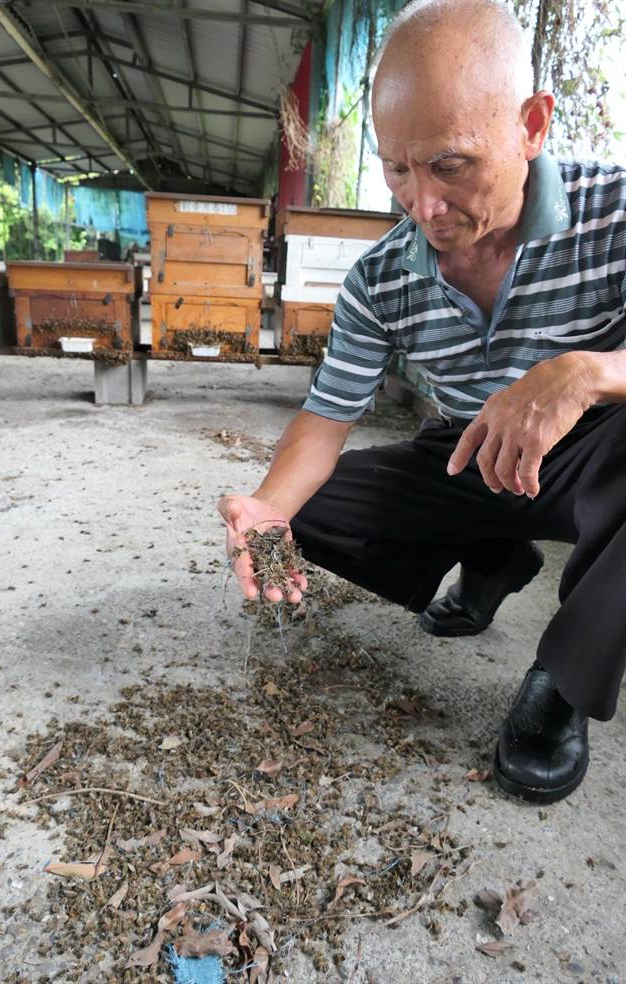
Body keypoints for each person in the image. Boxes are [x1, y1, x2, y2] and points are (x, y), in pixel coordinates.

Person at [218, 0, 626, 805]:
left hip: (594, 460)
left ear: (533, 126)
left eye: (449, 165)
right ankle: (494, 556)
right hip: (464, 453)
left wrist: (589, 373)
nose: (421, 206)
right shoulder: (381, 278)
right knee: (306, 510)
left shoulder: (616, 214)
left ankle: (563, 687)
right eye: (396, 168)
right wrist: (266, 507)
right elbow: (325, 419)